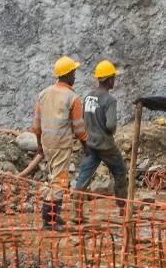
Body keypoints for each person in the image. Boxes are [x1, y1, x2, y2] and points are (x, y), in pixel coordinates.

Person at [32, 56, 88, 230]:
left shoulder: (43, 93)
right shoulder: (73, 97)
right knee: (60, 180)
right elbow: (79, 129)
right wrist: (87, 143)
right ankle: (50, 220)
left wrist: (40, 145)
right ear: (69, 74)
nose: (75, 76)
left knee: (53, 177)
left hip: (47, 143)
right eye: (74, 72)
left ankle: (52, 215)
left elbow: (36, 125)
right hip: (61, 144)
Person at [75, 59, 128, 211]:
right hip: (105, 145)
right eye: (113, 77)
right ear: (109, 79)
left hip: (90, 143)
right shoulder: (110, 100)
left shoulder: (88, 96)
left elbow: (84, 120)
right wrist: (110, 131)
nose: (114, 80)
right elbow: (111, 125)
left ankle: (75, 212)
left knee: (84, 175)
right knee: (120, 171)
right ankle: (123, 208)